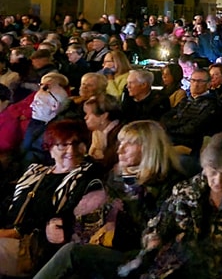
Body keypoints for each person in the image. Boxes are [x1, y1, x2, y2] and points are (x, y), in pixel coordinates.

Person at [34, 120, 186, 279]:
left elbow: (153, 234)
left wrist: (134, 192)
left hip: (137, 257)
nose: (120, 150)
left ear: (149, 148)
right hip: (103, 242)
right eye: (121, 143)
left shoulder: (171, 184)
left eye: (130, 144)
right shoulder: (117, 176)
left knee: (72, 253)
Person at [128, 132, 222, 278]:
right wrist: (154, 239)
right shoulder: (186, 190)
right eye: (212, 172)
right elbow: (159, 224)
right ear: (204, 168)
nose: (217, 180)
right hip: (184, 264)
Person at [0, 120, 98, 276]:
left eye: (76, 143)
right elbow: (9, 200)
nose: (71, 150)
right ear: (50, 149)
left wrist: (11, 232)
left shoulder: (85, 177)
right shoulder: (36, 171)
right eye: (62, 145)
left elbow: (54, 217)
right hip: (8, 231)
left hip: (32, 244)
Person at [82, 94, 122, 171]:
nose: (85, 117)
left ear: (103, 116)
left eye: (88, 114)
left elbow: (107, 164)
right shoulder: (94, 133)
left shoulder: (119, 136)